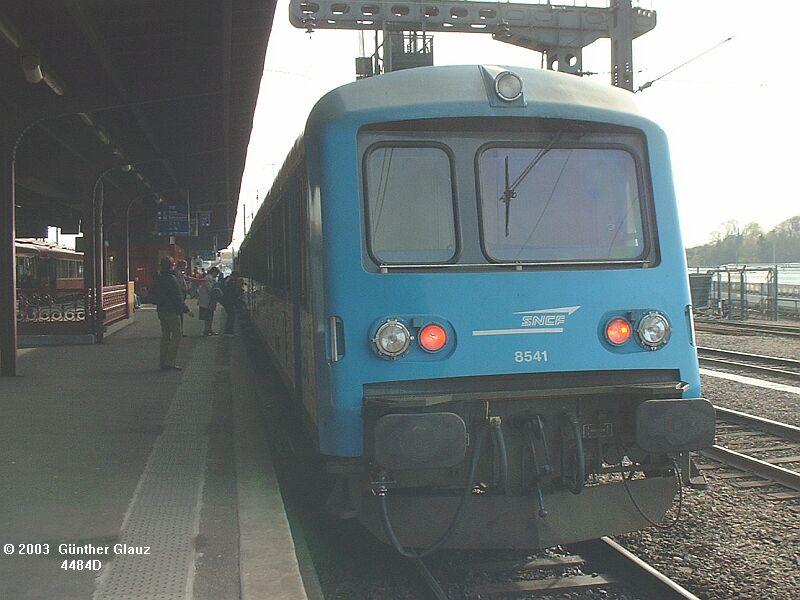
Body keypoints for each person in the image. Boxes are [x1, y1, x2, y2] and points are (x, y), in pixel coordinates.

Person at [150, 256, 190, 370]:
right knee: (177, 335)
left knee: (165, 336)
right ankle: (170, 362)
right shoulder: (172, 279)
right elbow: (177, 296)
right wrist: (186, 309)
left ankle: (163, 362)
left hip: (161, 310)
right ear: (171, 265)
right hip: (171, 310)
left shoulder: (158, 277)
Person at [197, 266, 220, 336]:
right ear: (214, 272)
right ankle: (206, 330)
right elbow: (210, 289)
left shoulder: (210, 278)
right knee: (208, 316)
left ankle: (209, 330)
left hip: (209, 300)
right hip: (207, 300)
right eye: (216, 273)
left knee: (210, 316)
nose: (217, 275)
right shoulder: (208, 278)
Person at [220, 271, 243, 336]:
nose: (237, 278)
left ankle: (228, 330)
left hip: (226, 300)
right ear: (235, 276)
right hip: (228, 301)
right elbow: (232, 292)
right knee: (231, 315)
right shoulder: (231, 281)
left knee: (231, 314)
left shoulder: (227, 279)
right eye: (237, 277)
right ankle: (228, 331)